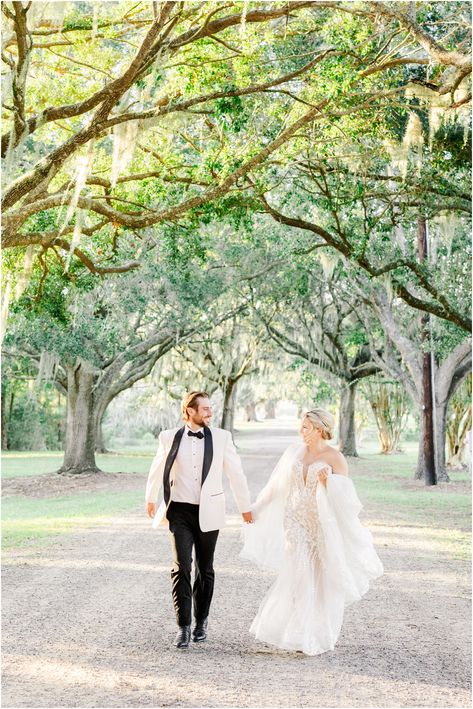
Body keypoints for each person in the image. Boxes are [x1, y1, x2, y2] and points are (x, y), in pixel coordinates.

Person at [241, 408, 383, 656]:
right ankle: (298, 631)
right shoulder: (294, 452)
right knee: (299, 575)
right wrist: (256, 508)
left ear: (319, 429)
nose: (301, 431)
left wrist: (329, 482)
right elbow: (276, 487)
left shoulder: (335, 458)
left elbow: (347, 501)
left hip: (320, 525)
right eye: (301, 426)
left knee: (320, 577)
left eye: (305, 427)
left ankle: (317, 632)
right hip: (294, 522)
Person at [146, 391, 253, 649]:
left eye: (210, 408)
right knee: (181, 566)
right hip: (179, 511)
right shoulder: (169, 437)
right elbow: (157, 466)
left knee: (205, 569)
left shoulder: (222, 438)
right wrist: (150, 497)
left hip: (210, 510)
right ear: (190, 411)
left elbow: (236, 473)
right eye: (204, 408)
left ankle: (201, 622)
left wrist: (245, 507)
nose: (210, 412)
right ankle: (182, 627)